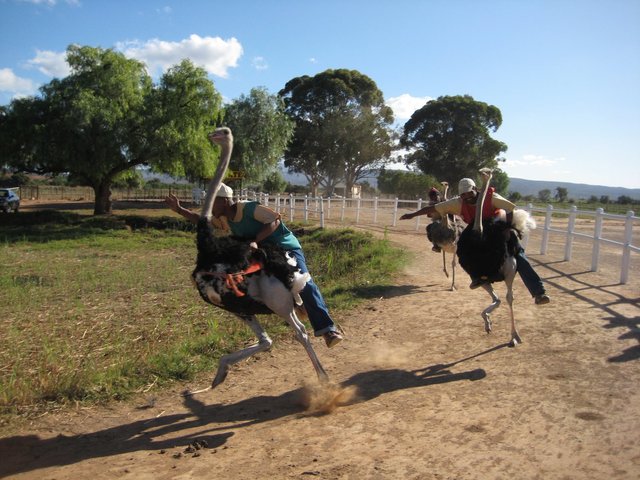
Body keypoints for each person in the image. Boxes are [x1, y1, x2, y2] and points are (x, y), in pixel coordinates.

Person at [165, 184, 344, 347]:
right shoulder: (224, 219)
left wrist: (255, 241)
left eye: (212, 202)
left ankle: (328, 329)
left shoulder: (248, 208)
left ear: (225, 201)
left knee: (304, 281)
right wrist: (180, 210)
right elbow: (203, 221)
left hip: (284, 247)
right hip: (262, 251)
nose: (209, 207)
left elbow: (275, 220)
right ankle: (278, 307)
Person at [400, 178, 550, 305]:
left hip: (496, 224)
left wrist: (507, 227)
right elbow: (434, 208)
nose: (467, 197)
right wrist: (413, 214)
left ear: (476, 190)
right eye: (463, 195)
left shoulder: (491, 197)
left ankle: (538, 292)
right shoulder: (458, 203)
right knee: (463, 249)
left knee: (517, 252)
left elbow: (510, 208)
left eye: (469, 193)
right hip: (476, 227)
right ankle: (477, 277)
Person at [425, 187, 443, 253]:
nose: (434, 197)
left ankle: (436, 246)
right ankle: (436, 245)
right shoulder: (432, 203)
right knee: (429, 228)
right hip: (437, 221)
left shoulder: (443, 201)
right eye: (432, 196)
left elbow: (428, 215)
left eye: (434, 195)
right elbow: (428, 215)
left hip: (444, 219)